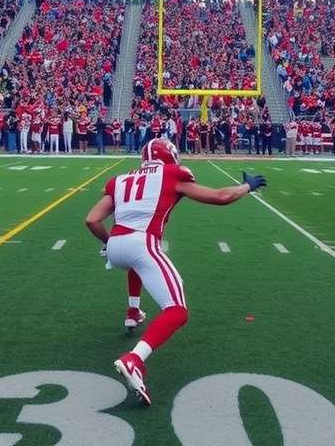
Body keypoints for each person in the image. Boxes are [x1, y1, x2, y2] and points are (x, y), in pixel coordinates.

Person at [84, 138, 267, 405]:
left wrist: (108, 242)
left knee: (138, 265)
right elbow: (221, 197)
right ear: (171, 155)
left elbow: (91, 219)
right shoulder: (172, 174)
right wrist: (247, 186)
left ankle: (133, 312)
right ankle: (134, 359)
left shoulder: (120, 179)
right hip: (141, 243)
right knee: (177, 311)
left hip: (116, 245)